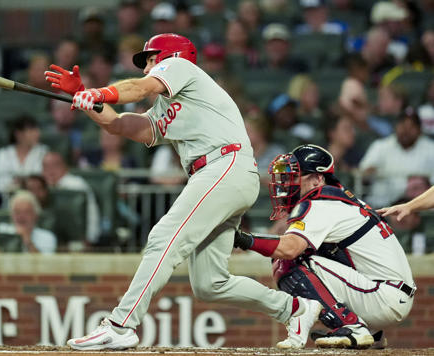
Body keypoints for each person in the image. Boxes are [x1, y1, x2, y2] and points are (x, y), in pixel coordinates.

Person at [45, 32, 322, 350]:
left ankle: (122, 324)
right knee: (210, 283)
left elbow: (136, 88)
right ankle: (295, 309)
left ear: (171, 57)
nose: (147, 67)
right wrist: (83, 96)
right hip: (221, 175)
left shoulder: (183, 69)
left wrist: (99, 92)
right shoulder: (166, 107)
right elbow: (121, 125)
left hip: (224, 164)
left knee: (163, 237)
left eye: (151, 59)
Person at [234, 144, 415, 349]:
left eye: (294, 176)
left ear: (317, 179)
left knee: (288, 261)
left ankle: (353, 328)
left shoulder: (320, 204)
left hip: (383, 296)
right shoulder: (338, 200)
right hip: (387, 293)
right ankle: (371, 333)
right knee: (308, 252)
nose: (286, 184)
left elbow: (289, 249)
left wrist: (245, 239)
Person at [359, 108, 434, 208]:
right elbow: (361, 174)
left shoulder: (430, 148)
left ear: (419, 130)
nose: (406, 131)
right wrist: (369, 172)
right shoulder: (380, 146)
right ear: (395, 127)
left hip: (417, 209)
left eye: (411, 126)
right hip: (383, 206)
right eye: (403, 125)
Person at [42, 151, 101, 245]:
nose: (50, 170)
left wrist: (90, 238)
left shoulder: (77, 185)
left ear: (66, 167)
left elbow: (91, 213)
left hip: (78, 241)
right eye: (46, 166)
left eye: (55, 165)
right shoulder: (41, 188)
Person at [0, 115, 48, 193]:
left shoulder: (44, 151)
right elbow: (0, 184)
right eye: (31, 130)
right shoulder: (3, 153)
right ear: (18, 134)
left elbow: (43, 180)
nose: (37, 133)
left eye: (37, 129)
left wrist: (21, 182)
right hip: (8, 198)